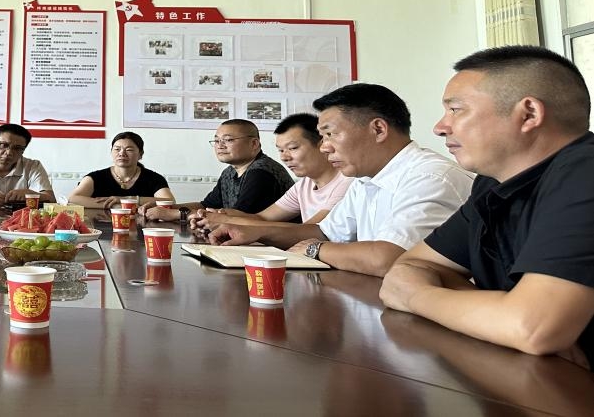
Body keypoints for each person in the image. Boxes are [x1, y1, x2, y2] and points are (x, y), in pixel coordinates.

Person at [381, 46, 594, 365]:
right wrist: (503, 317)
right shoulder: (493, 184)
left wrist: (417, 295)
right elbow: (409, 268)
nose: (440, 127)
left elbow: (533, 328)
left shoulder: (584, 173)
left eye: (456, 109)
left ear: (529, 115)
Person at [206, 84, 473, 277]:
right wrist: (255, 232)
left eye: (330, 134)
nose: (324, 147)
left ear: (378, 129)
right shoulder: (364, 180)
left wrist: (315, 250)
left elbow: (390, 258)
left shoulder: (429, 177)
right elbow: (324, 232)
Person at [190, 114, 353, 226]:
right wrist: (218, 216)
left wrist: (227, 221)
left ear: (323, 145)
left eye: (293, 148)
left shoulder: (348, 183)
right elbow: (262, 218)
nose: (284, 157)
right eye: (280, 150)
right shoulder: (303, 186)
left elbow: (310, 230)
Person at [143, 119, 293, 223]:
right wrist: (164, 208)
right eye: (216, 140)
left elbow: (238, 218)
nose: (220, 145)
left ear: (254, 144)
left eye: (228, 140)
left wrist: (174, 214)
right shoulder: (229, 172)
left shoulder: (262, 173)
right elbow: (205, 206)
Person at [67, 132, 174, 209]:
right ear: (111, 152)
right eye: (117, 149)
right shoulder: (95, 178)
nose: (122, 153)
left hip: (143, 229)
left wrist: (129, 199)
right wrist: (117, 205)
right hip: (100, 230)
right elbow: (72, 198)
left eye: (129, 150)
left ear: (140, 154)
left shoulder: (154, 179)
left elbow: (169, 201)